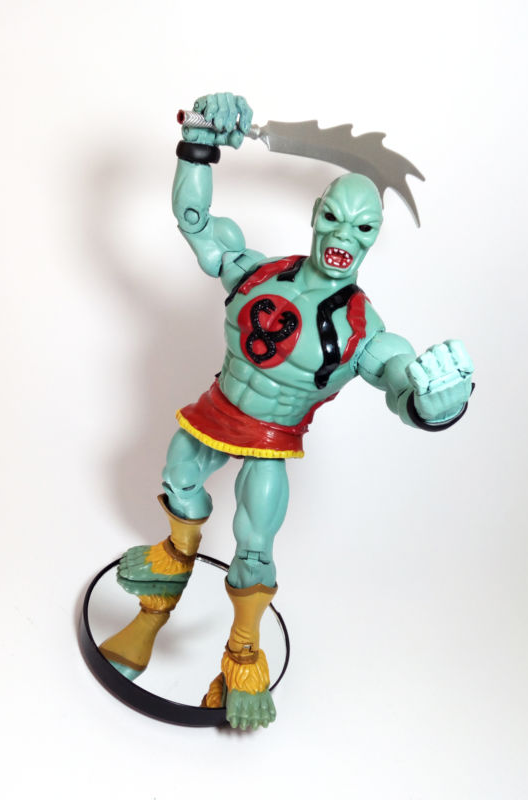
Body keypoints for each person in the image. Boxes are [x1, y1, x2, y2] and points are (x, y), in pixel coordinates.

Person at [99, 93, 474, 730]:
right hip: (214, 411)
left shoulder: (363, 330)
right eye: (335, 218)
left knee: (253, 546)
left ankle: (243, 653)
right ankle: (161, 593)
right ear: (316, 213)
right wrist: (198, 142)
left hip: (271, 441)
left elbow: (400, 382)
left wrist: (434, 405)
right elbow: (195, 221)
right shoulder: (257, 272)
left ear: (374, 238)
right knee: (179, 478)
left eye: (363, 229)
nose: (343, 237)